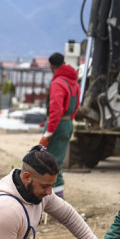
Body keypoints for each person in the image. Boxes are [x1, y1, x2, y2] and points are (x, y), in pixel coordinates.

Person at [39, 52, 80, 199]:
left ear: (51, 66)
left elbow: (56, 110)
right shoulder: (74, 83)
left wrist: (48, 133)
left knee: (50, 162)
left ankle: (55, 199)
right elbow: (76, 106)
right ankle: (55, 197)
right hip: (67, 123)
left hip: (56, 125)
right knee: (57, 162)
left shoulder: (58, 83)